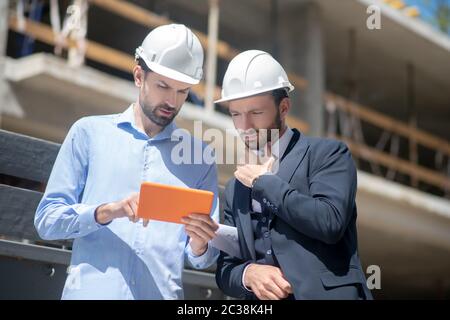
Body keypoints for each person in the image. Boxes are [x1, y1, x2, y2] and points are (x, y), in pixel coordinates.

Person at [35, 24, 219, 300]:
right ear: (138, 76)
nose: (172, 100)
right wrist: (107, 211)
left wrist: (201, 243)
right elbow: (47, 221)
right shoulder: (89, 133)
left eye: (183, 91)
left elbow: (202, 259)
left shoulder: (200, 158)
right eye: (163, 86)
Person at [215, 50, 373, 300]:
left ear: (284, 107)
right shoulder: (236, 188)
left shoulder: (328, 154)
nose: (244, 126)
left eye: (255, 113)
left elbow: (329, 222)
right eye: (236, 114)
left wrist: (264, 183)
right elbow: (226, 268)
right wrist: (248, 273)